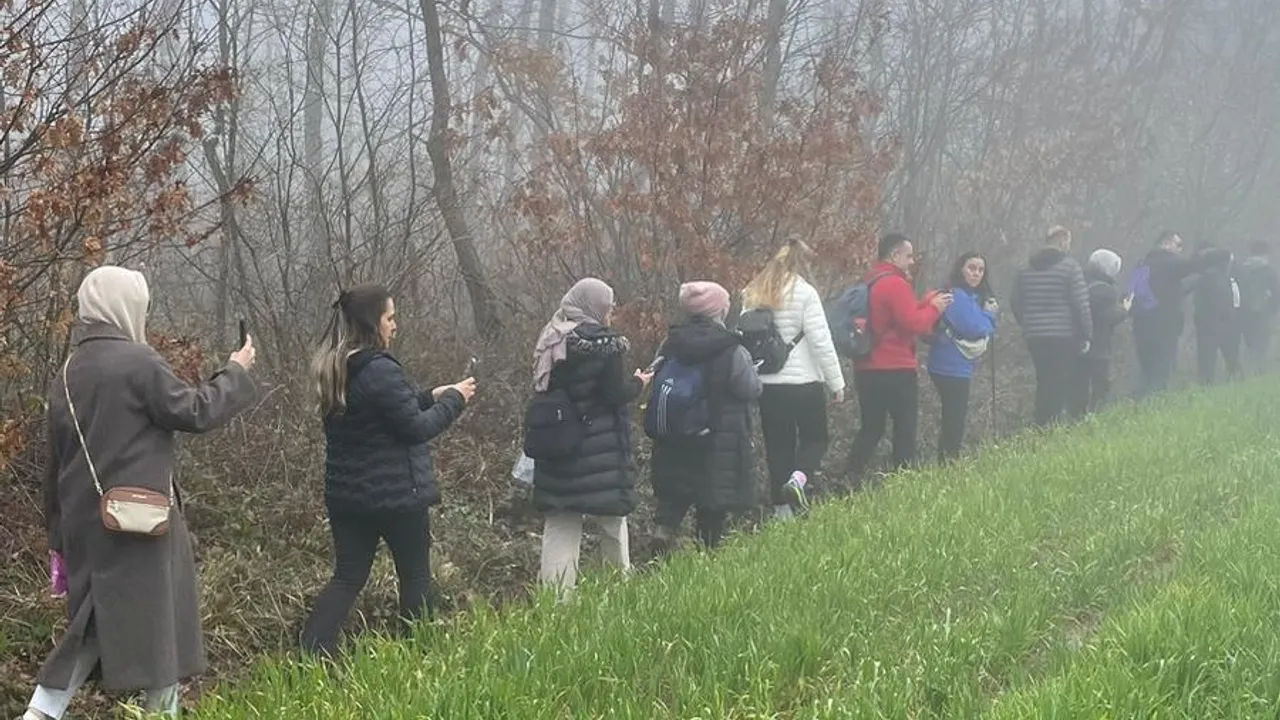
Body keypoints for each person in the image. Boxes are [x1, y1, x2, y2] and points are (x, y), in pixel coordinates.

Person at [25, 266, 257, 720]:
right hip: (138, 522)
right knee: (158, 623)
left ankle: (39, 714)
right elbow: (196, 411)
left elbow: (55, 467)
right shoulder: (138, 361)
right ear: (126, 306)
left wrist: (58, 541)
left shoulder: (68, 372)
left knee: (93, 625)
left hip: (86, 525)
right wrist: (235, 371)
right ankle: (157, 713)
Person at [299, 284, 475, 656]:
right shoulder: (380, 369)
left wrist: (431, 395)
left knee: (348, 577)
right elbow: (416, 429)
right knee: (415, 575)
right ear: (372, 322)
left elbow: (385, 412)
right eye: (390, 318)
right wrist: (455, 401)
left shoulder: (337, 366)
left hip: (348, 498)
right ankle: (418, 655)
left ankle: (311, 653)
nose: (395, 325)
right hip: (397, 497)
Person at [532, 278, 650, 595]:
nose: (610, 313)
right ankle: (619, 591)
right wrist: (638, 384)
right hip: (600, 449)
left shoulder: (552, 336)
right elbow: (613, 395)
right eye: (608, 307)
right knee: (612, 519)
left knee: (561, 523)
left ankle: (556, 601)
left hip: (557, 446)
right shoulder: (606, 344)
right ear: (595, 307)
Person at [649, 282, 762, 549]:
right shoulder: (731, 347)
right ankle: (706, 556)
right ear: (720, 310)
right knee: (712, 503)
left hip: (674, 436)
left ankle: (663, 534)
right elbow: (749, 388)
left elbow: (655, 376)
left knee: (674, 495)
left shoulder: (671, 342)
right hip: (717, 438)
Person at [740, 241, 844, 519]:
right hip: (804, 382)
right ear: (801, 263)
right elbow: (821, 341)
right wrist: (836, 382)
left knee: (778, 447)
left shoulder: (753, 291)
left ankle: (782, 513)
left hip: (769, 384)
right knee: (816, 438)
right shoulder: (805, 292)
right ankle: (798, 480)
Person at [846, 233, 951, 486]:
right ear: (894, 255)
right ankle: (903, 482)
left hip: (866, 367)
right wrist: (935, 307)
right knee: (904, 427)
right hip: (896, 369)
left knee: (871, 428)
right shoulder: (896, 284)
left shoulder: (871, 280)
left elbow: (898, 316)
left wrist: (925, 302)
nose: (912, 261)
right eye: (909, 255)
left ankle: (850, 475)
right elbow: (913, 323)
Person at [1010, 225, 1091, 427]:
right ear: (1062, 241)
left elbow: (1015, 301)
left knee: (1044, 380)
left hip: (1035, 336)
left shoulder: (1025, 268)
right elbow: (1081, 303)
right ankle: (1049, 426)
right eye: (1068, 241)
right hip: (1063, 335)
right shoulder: (1070, 266)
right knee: (1058, 382)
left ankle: (1041, 424)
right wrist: (1087, 334)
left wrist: (1027, 323)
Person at [925, 252, 997, 463]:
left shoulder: (971, 297)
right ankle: (948, 463)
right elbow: (976, 328)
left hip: (957, 365)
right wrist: (990, 315)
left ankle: (949, 461)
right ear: (961, 269)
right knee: (954, 418)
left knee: (954, 416)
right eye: (971, 268)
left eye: (980, 270)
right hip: (949, 365)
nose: (976, 274)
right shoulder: (956, 296)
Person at [1129, 231, 1215, 397]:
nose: (1180, 250)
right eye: (1178, 245)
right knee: (1162, 371)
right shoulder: (1170, 262)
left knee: (1146, 370)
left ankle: (1136, 403)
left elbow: (1132, 295)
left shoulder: (1141, 265)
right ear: (1166, 243)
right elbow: (1194, 265)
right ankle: (1154, 406)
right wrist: (1211, 255)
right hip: (1165, 327)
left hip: (1141, 328)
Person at [1070, 249, 1131, 416]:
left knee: (1079, 386)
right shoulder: (1106, 290)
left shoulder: (1079, 282)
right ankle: (1096, 416)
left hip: (1077, 342)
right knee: (1101, 385)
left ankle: (1076, 417)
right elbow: (1107, 317)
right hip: (1099, 345)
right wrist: (1124, 310)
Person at [1191, 247, 1242, 385]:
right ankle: (1230, 382)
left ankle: (1207, 385)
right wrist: (1232, 319)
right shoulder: (1217, 278)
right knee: (1228, 358)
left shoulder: (1207, 277)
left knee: (1207, 360)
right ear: (1224, 262)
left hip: (1207, 325)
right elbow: (1223, 303)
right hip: (1221, 324)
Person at [1234, 240, 1280, 374]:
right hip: (1263, 314)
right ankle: (1259, 370)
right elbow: (1277, 294)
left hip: (1244, 313)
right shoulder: (1268, 271)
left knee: (1249, 344)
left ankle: (1248, 369)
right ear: (1265, 254)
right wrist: (1273, 309)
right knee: (1261, 345)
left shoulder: (1242, 269)